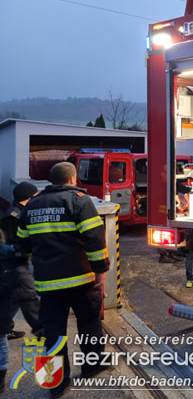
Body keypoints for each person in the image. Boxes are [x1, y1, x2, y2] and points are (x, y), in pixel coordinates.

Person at [17, 162, 109, 397]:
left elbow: (22, 245)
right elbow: (94, 238)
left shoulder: (31, 205)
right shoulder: (79, 200)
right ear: (72, 178)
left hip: (48, 284)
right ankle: (92, 366)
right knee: (89, 324)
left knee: (52, 333)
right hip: (81, 278)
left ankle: (55, 384)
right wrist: (100, 269)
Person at [0, 182, 42, 340]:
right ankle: (42, 328)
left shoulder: (19, 211)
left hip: (15, 263)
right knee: (28, 295)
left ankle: (5, 327)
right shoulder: (14, 217)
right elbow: (12, 243)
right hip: (13, 264)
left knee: (13, 297)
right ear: (28, 198)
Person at [0, 228, 17, 393]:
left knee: (1, 339)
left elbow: (9, 283)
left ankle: (1, 377)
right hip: (4, 304)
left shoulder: (7, 254)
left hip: (2, 304)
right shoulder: (7, 253)